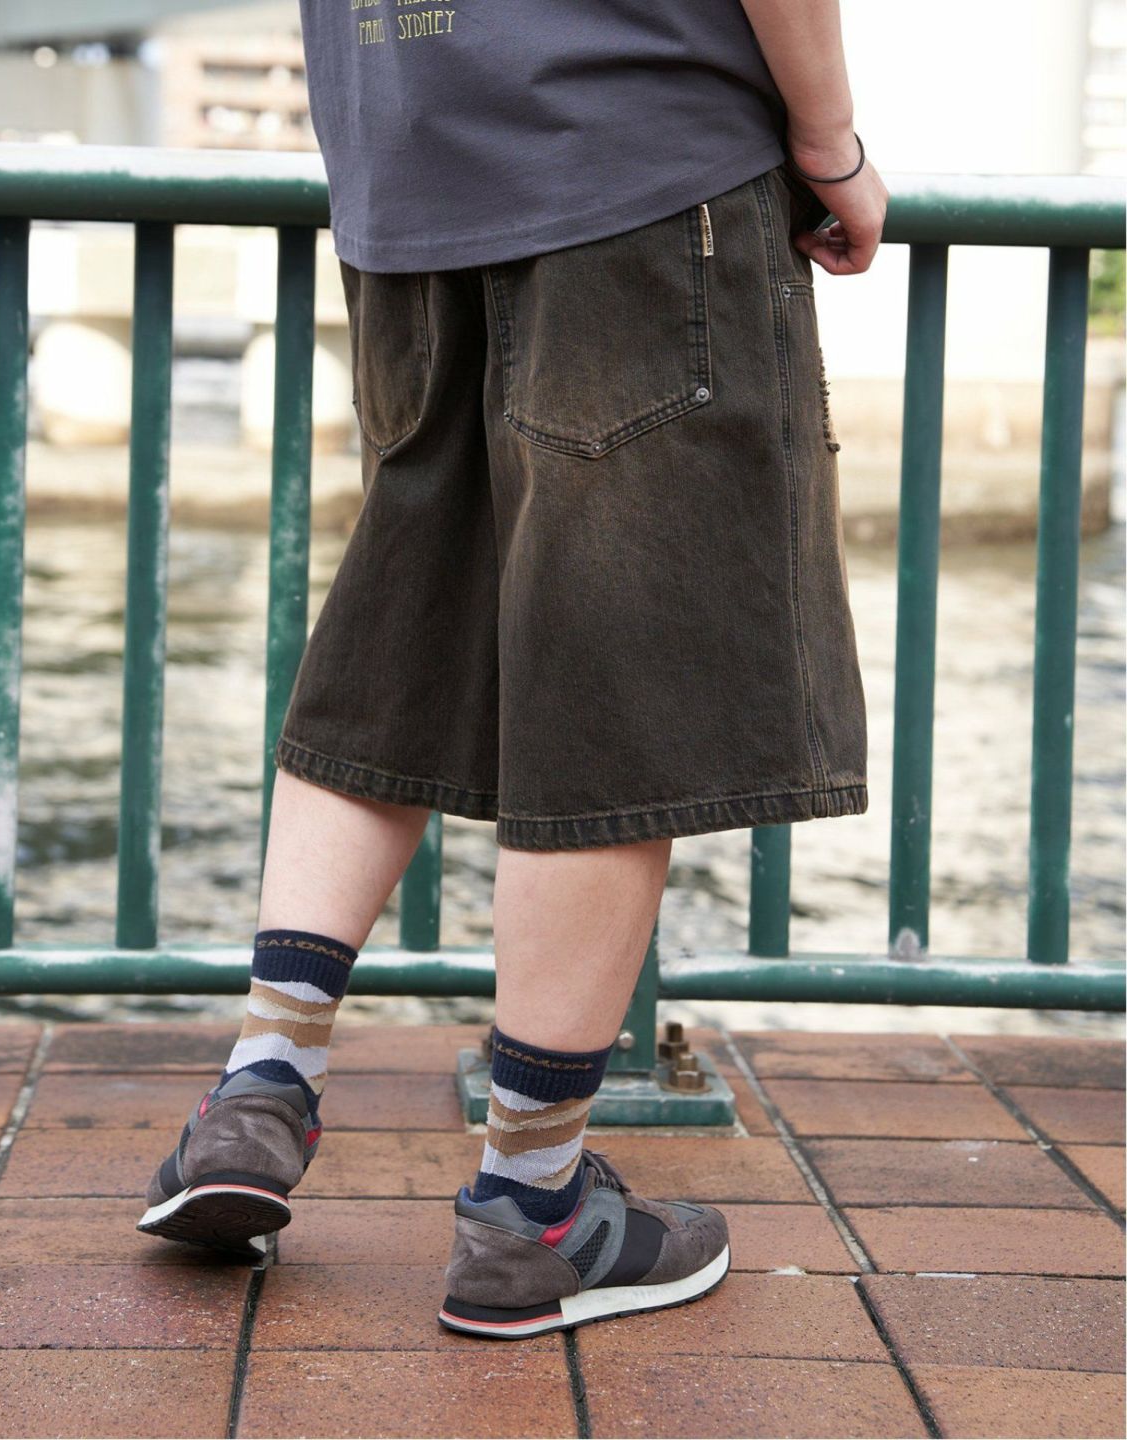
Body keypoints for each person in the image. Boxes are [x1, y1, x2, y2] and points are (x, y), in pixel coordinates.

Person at [137, 0, 887, 1338]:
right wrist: (831, 146)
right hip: (634, 161)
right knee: (618, 676)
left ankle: (258, 1089)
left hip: (407, 170)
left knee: (399, 628)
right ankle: (532, 1207)